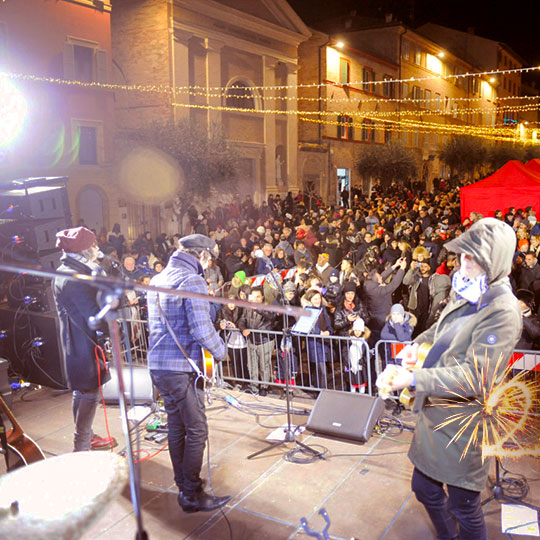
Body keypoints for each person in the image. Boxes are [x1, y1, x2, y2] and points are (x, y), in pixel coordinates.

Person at [377, 218, 522, 540]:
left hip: (462, 425)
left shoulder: (502, 310)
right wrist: (411, 349)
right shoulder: (471, 291)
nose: (462, 263)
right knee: (424, 488)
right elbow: (440, 329)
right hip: (438, 417)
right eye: (462, 255)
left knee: (464, 506)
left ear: (493, 261)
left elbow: (476, 377)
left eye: (472, 257)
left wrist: (412, 378)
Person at [146, 233, 231, 513]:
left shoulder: (157, 279)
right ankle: (191, 494)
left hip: (159, 365)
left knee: (176, 426)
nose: (208, 265)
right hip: (182, 370)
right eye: (209, 259)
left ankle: (183, 483)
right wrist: (221, 352)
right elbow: (201, 329)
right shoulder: (191, 280)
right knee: (196, 430)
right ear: (202, 255)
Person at [53, 226, 117, 452]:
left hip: (75, 342)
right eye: (94, 246)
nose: (97, 249)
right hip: (84, 344)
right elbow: (94, 317)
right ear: (84, 250)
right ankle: (81, 447)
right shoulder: (75, 278)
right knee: (89, 393)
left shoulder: (64, 271)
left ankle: (87, 436)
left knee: (80, 391)